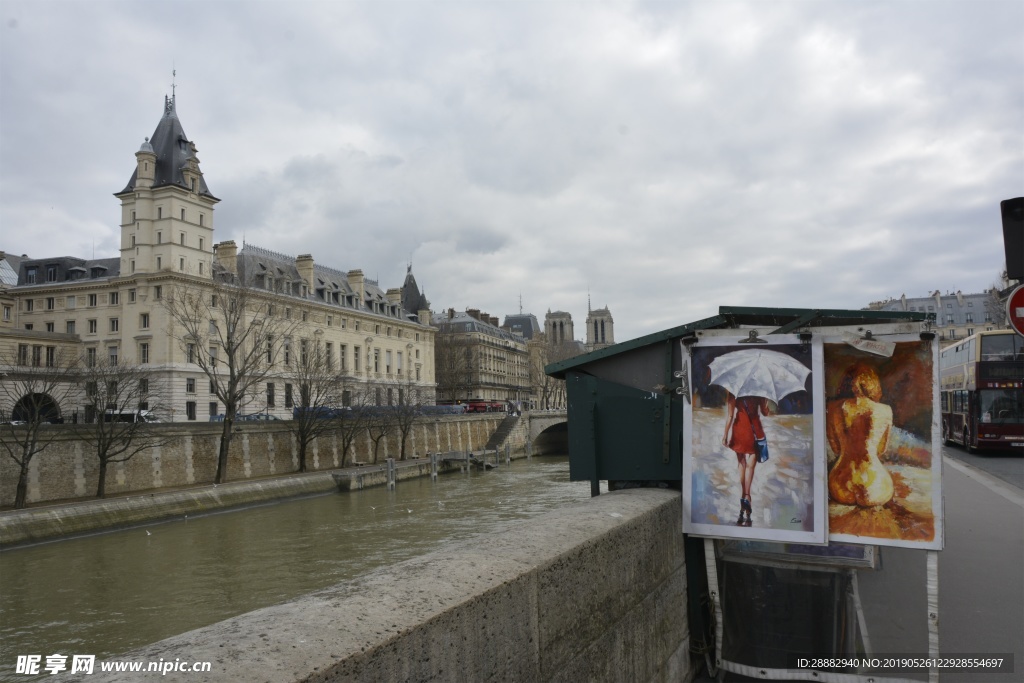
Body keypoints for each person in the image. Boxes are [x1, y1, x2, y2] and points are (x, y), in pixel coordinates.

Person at [826, 363, 894, 507]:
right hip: (874, 485)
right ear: (873, 384)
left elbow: (836, 449)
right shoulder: (885, 410)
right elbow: (881, 450)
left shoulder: (832, 409)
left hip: (840, 485)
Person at [722, 393, 770, 527]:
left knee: (741, 464)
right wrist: (765, 404)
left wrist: (725, 434)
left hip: (740, 431)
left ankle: (744, 496)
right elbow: (765, 413)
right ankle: (747, 496)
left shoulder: (733, 390)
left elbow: (730, 415)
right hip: (756, 432)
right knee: (750, 467)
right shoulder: (759, 390)